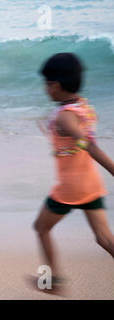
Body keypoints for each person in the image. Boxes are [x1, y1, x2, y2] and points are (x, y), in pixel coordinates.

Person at [34, 53, 114, 289]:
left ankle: (52, 281)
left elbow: (86, 143)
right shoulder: (83, 107)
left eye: (47, 84)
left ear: (56, 85)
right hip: (91, 183)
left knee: (41, 227)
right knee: (104, 238)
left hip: (71, 187)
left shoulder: (65, 117)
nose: (46, 89)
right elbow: (76, 137)